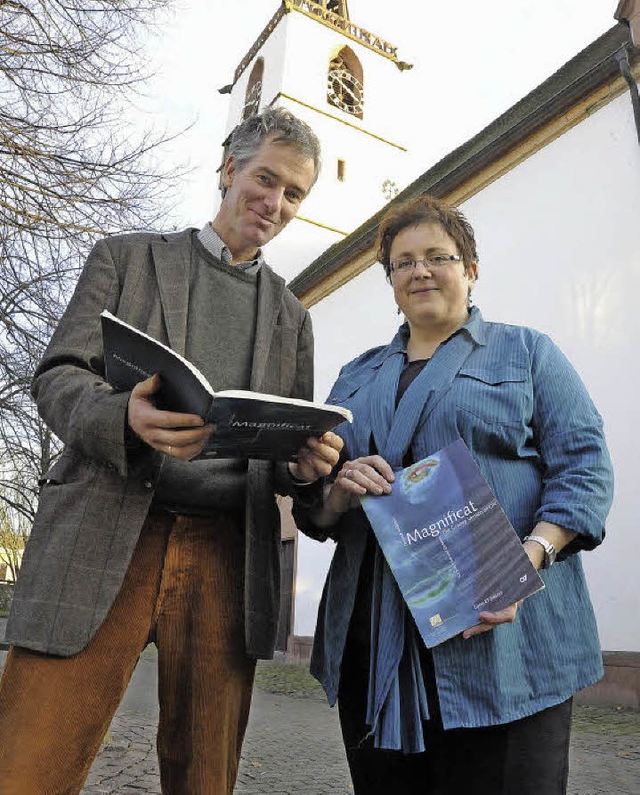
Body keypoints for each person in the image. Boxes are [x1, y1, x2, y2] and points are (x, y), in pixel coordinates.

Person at [0, 106, 341, 795]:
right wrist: (121, 413)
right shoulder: (126, 259)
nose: (275, 203)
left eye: (294, 192)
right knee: (26, 763)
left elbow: (284, 448)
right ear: (228, 169)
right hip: (107, 528)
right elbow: (58, 374)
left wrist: (305, 471)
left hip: (225, 554)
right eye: (266, 179)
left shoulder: (293, 317)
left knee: (204, 777)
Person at [294, 195, 613, 795]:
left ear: (470, 269)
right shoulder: (356, 377)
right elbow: (316, 505)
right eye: (403, 262)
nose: (420, 271)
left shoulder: (528, 353)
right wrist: (336, 488)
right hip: (375, 639)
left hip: (502, 636)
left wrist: (531, 555)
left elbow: (585, 469)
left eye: (438, 256)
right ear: (390, 281)